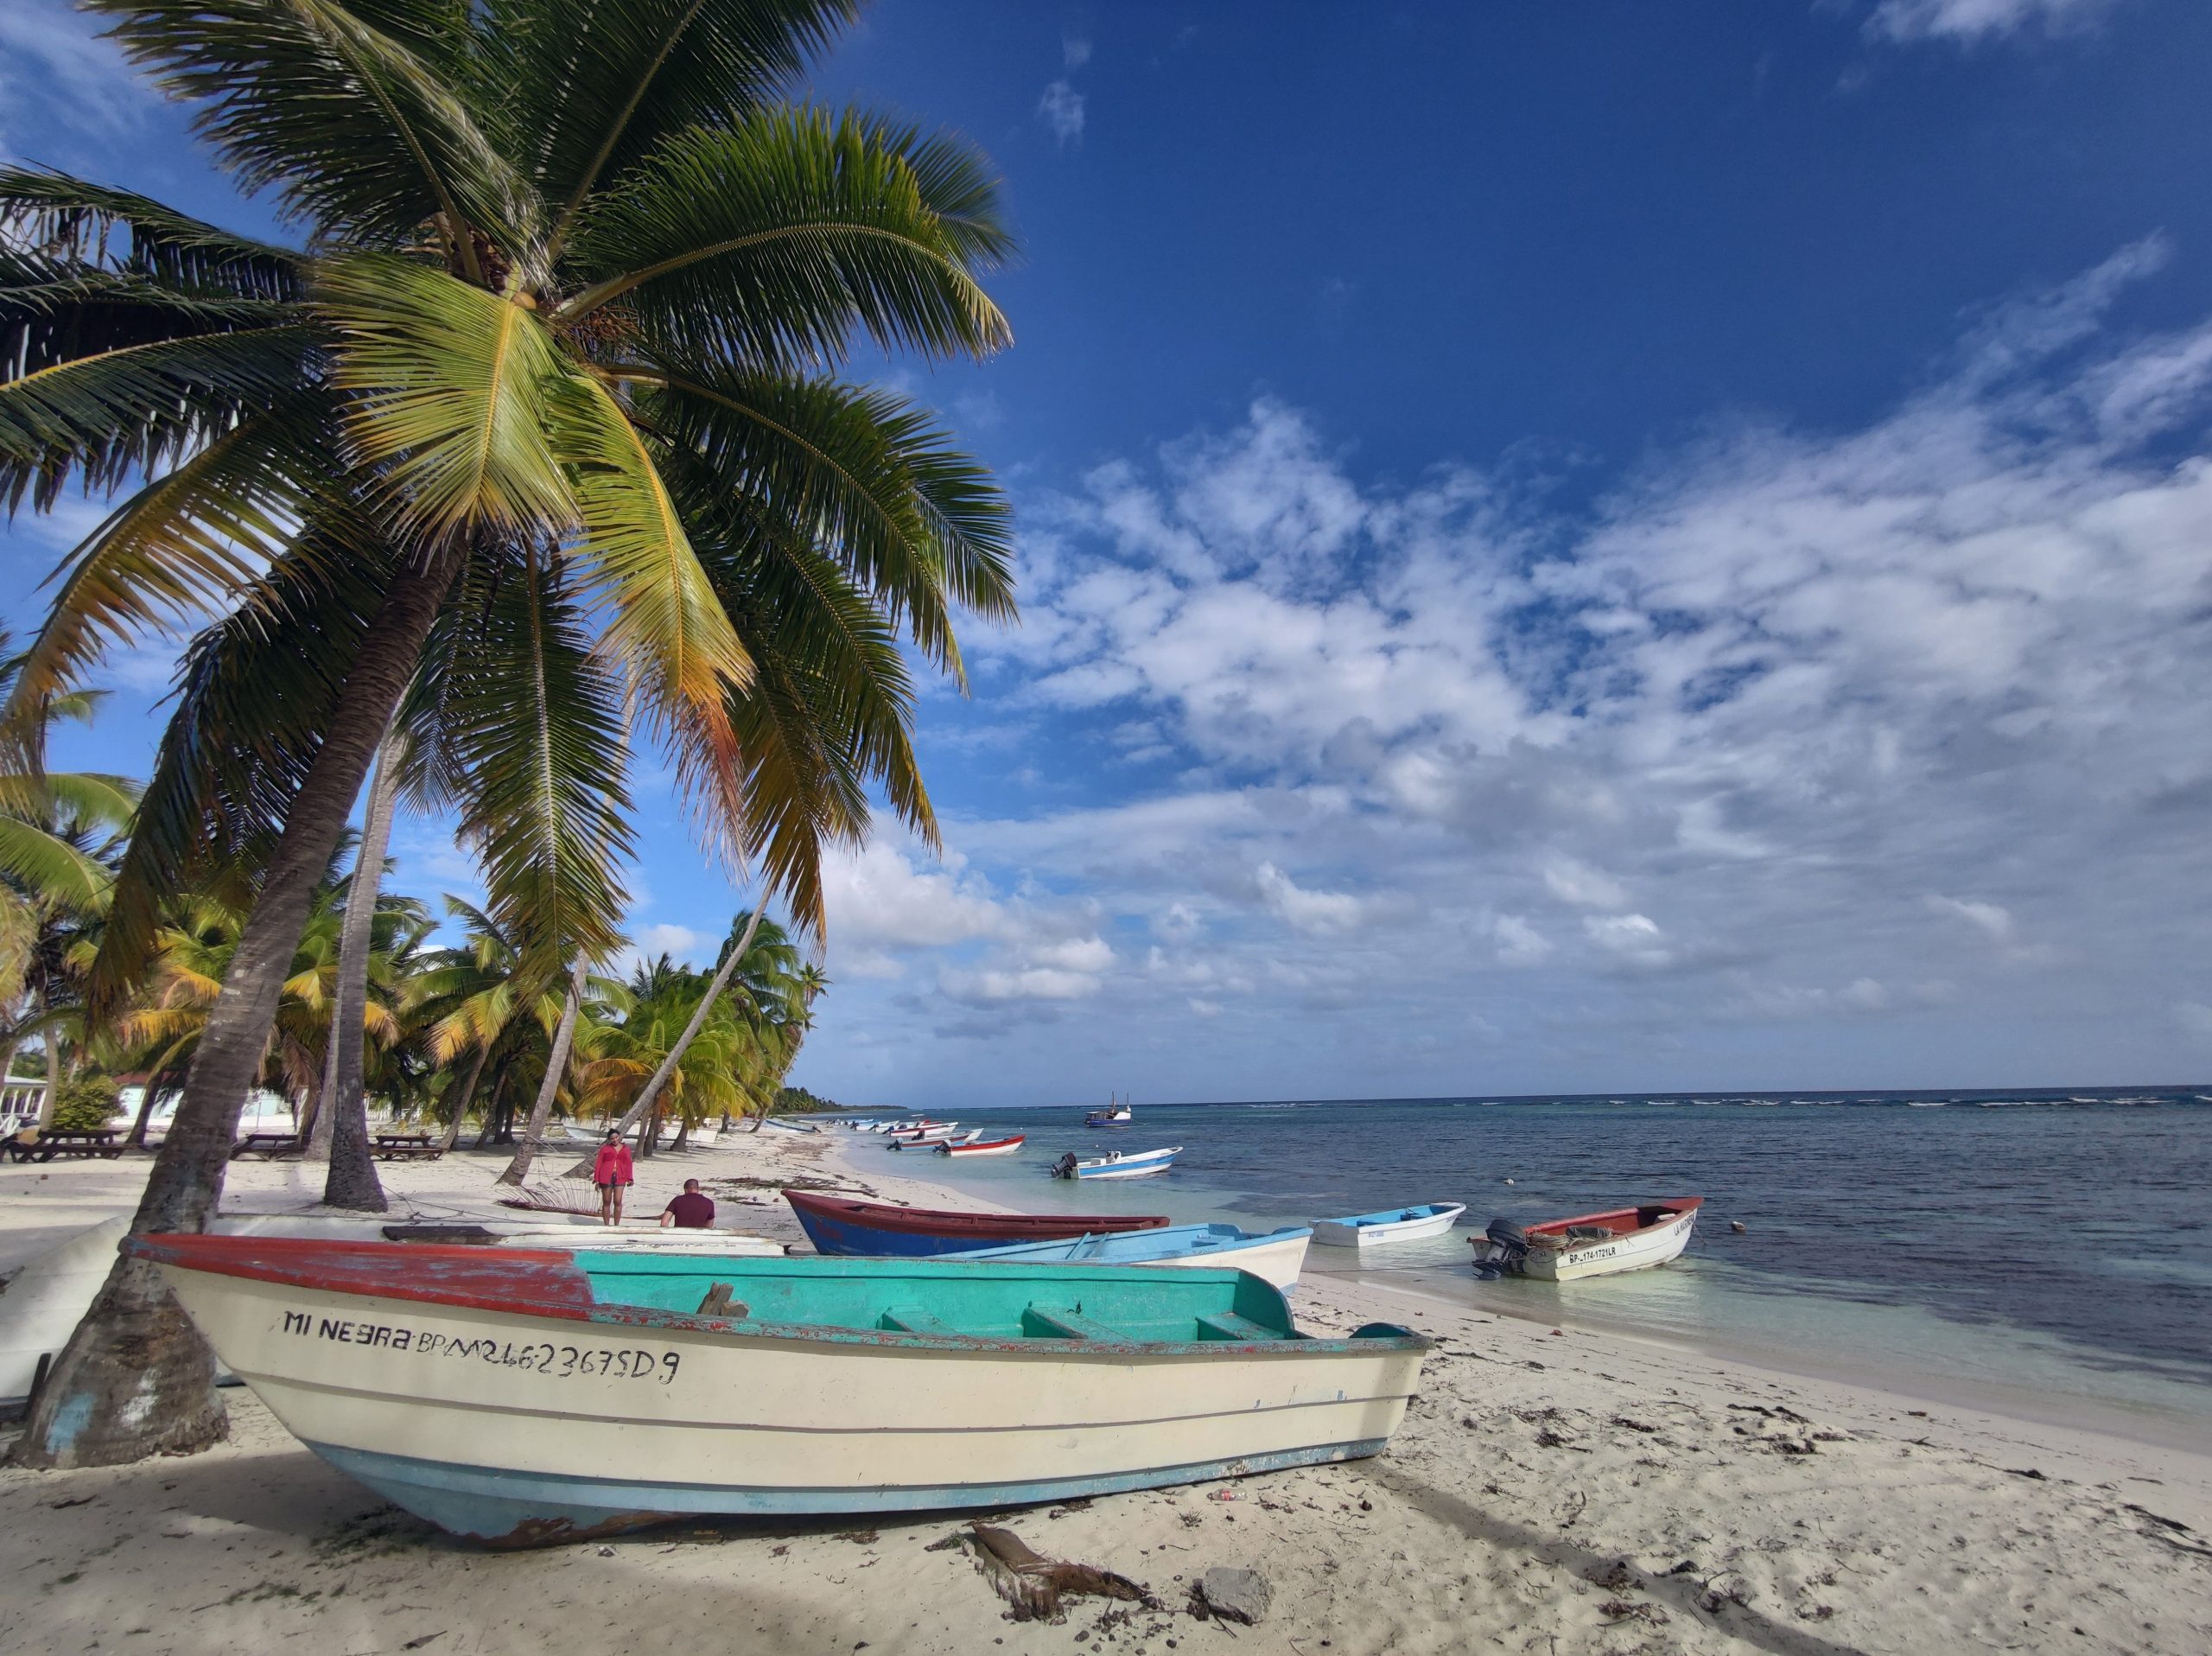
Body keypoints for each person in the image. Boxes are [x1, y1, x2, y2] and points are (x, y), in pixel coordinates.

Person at [592, 1131, 633, 1226]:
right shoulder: (605, 1149)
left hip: (621, 1177)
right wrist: (597, 1179)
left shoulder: (626, 1149)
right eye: (612, 1138)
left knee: (618, 1201)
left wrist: (630, 1178)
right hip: (605, 1177)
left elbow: (629, 1164)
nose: (615, 1140)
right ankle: (606, 1225)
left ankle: (616, 1225)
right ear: (609, 1140)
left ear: (619, 1136)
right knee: (606, 1201)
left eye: (616, 1137)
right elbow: (599, 1163)